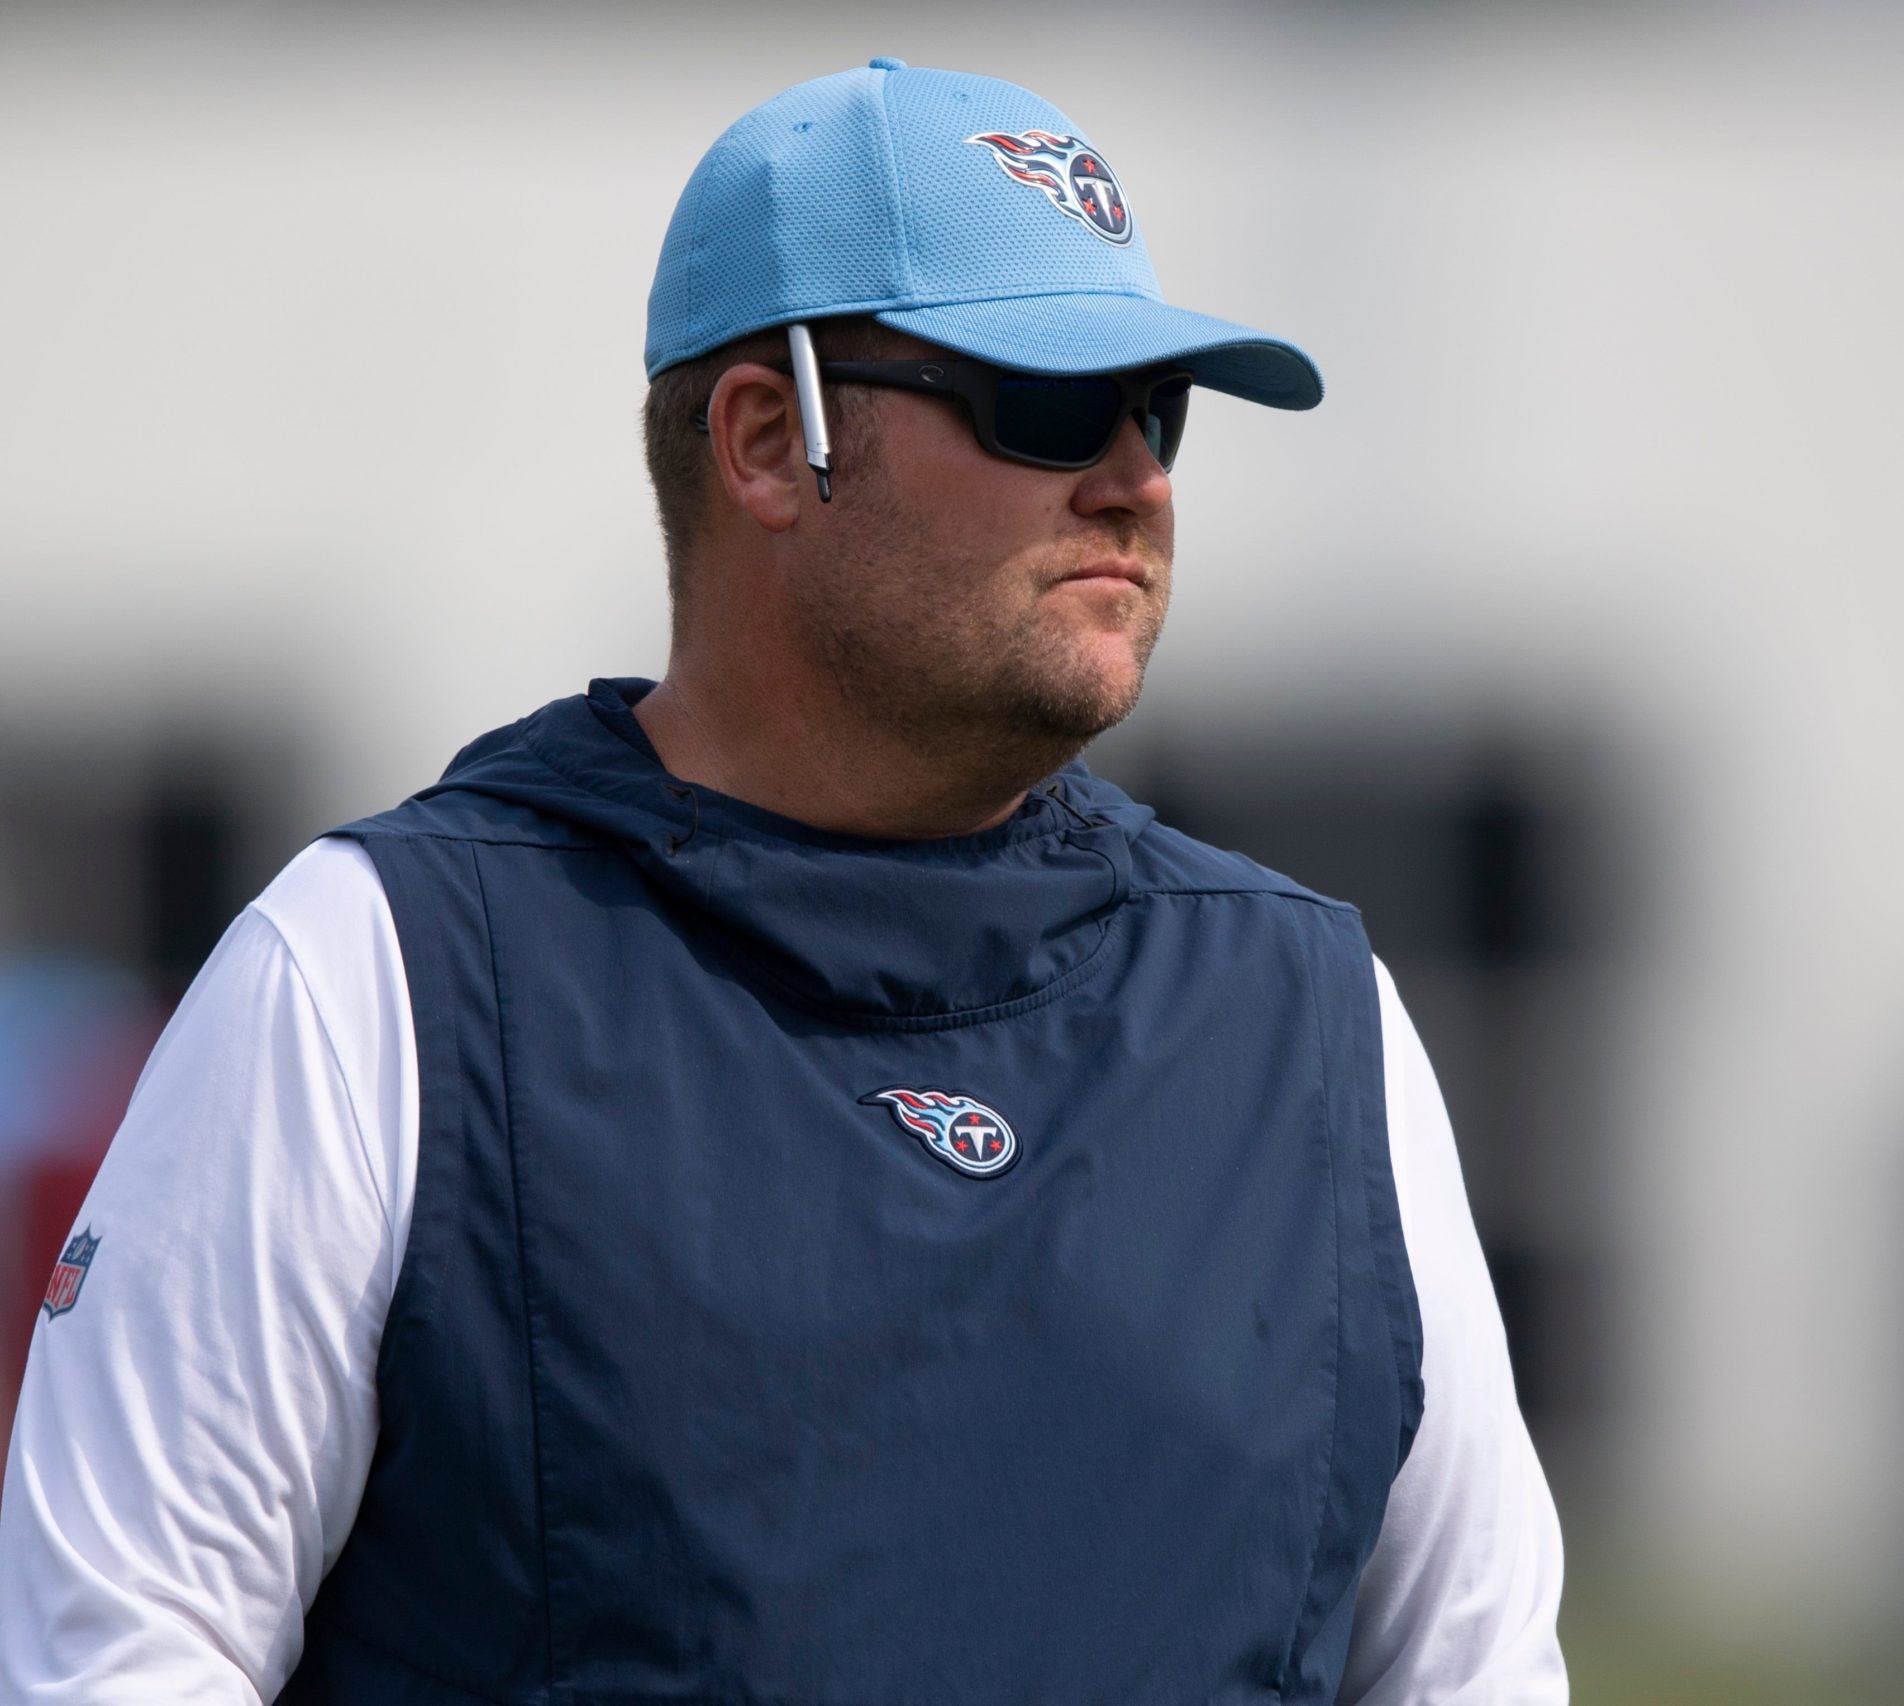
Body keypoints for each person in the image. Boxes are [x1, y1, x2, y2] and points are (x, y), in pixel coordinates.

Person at [0, 60, 1566, 1705]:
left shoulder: (1315, 1023)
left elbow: (1481, 1674)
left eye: (1156, 411)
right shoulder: (375, 976)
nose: (1137, 482)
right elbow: (119, 1659)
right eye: (1045, 403)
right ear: (767, 438)